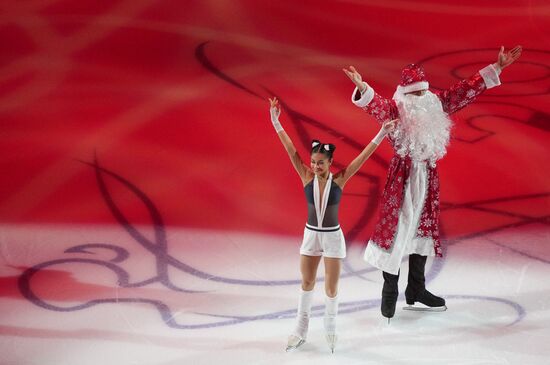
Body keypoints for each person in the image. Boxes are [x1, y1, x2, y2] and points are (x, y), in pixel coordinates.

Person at [342, 45, 522, 321]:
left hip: (428, 177)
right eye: (415, 93)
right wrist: (363, 87)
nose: (422, 98)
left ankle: (416, 288)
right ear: (405, 95)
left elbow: (464, 91)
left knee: (422, 232)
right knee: (399, 230)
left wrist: (496, 68)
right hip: (402, 180)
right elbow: (376, 105)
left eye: (424, 92)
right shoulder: (396, 110)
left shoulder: (435, 102)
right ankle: (390, 290)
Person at [268, 97, 395, 352]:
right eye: (313, 162)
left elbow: (364, 155)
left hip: (333, 238)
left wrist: (382, 132)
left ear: (330, 163)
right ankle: (300, 329)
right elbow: (290, 149)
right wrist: (275, 121)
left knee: (331, 286)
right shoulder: (305, 174)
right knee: (306, 283)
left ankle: (330, 328)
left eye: (320, 163)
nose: (315, 166)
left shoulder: (340, 179)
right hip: (311, 236)